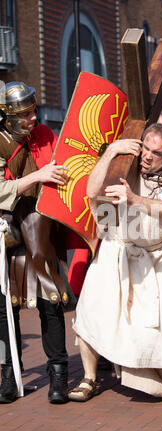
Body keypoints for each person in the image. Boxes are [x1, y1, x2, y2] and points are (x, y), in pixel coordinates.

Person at [68, 123, 162, 402]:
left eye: (157, 153)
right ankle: (89, 378)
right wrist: (112, 150)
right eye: (146, 149)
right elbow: (92, 193)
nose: (148, 156)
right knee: (91, 311)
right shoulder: (123, 165)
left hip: (158, 258)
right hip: (117, 250)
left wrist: (135, 198)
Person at [0, 81, 70, 404]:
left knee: (50, 301)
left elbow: (63, 171)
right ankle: (9, 374)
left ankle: (58, 373)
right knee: (5, 309)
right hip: (7, 232)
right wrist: (37, 177)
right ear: (8, 117)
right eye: (25, 115)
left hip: (41, 229)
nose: (33, 119)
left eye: (33, 111)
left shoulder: (44, 135)